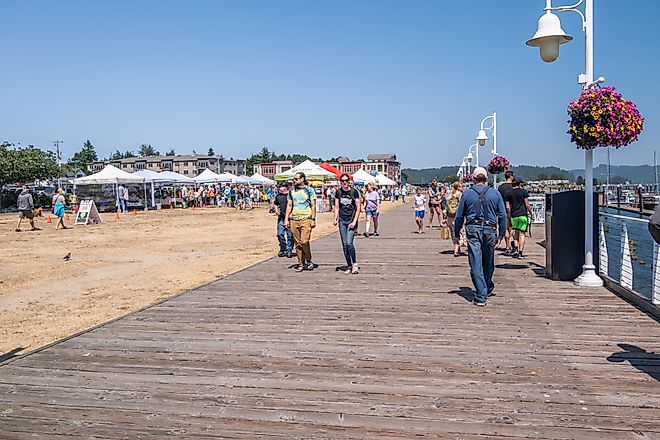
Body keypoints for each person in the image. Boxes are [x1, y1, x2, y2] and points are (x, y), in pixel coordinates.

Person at [454, 167, 506, 306]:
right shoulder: (495, 194)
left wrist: (456, 233)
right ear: (486, 179)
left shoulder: (467, 194)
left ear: (473, 178)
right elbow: (502, 215)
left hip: (473, 229)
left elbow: (459, 216)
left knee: (476, 261)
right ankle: (486, 287)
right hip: (490, 229)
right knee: (488, 260)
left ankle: (482, 294)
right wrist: (501, 235)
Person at [285, 172, 317, 272]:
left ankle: (309, 260)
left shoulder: (309, 190)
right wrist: (286, 219)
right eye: (293, 179)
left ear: (302, 179)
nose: (294, 181)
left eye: (296, 179)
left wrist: (313, 219)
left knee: (304, 241)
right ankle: (300, 263)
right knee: (297, 243)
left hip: (306, 218)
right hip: (294, 219)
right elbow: (289, 205)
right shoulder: (291, 191)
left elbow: (313, 205)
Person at [334, 173, 362, 274]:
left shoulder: (354, 192)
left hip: (351, 220)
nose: (344, 183)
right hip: (342, 220)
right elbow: (337, 207)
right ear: (340, 182)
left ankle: (354, 263)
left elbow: (358, 207)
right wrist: (335, 218)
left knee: (349, 243)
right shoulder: (338, 192)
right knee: (344, 244)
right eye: (342, 181)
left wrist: (354, 221)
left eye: (346, 180)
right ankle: (349, 266)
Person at [505, 177, 534, 258]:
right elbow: (527, 205)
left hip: (514, 215)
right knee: (522, 234)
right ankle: (520, 252)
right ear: (519, 183)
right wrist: (531, 214)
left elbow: (507, 207)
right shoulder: (523, 192)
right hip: (522, 215)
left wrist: (510, 215)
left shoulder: (508, 193)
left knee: (515, 233)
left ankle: (516, 249)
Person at [274, 182, 294, 258]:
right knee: (280, 234)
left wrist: (292, 213)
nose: (279, 188)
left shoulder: (291, 195)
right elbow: (275, 203)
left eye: (280, 187)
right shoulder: (278, 196)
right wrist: (276, 210)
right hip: (281, 218)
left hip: (290, 218)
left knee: (290, 235)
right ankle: (283, 248)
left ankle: (289, 250)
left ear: (285, 187)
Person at [446, 180, 465, 257]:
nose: (463, 187)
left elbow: (446, 206)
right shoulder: (461, 195)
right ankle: (456, 249)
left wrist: (444, 217)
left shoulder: (450, 195)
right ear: (458, 187)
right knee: (459, 231)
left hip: (450, 216)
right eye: (462, 186)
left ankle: (457, 247)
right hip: (458, 216)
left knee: (453, 232)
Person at [498, 170, 515, 254]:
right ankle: (515, 245)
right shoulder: (514, 187)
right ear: (511, 177)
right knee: (515, 228)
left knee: (506, 229)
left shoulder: (500, 187)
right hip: (515, 210)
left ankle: (507, 246)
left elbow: (499, 200)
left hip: (503, 210)